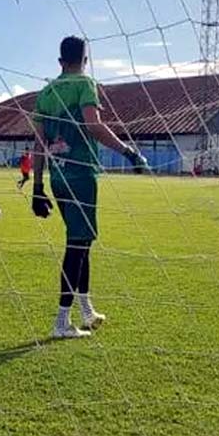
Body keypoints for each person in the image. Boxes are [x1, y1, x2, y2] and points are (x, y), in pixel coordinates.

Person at [31, 35, 150, 339]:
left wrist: (37, 187)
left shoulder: (46, 92)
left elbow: (39, 143)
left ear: (60, 61)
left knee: (82, 241)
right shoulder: (85, 84)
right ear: (85, 60)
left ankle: (86, 310)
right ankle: (61, 322)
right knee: (76, 245)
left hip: (57, 177)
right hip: (81, 175)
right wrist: (129, 152)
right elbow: (93, 125)